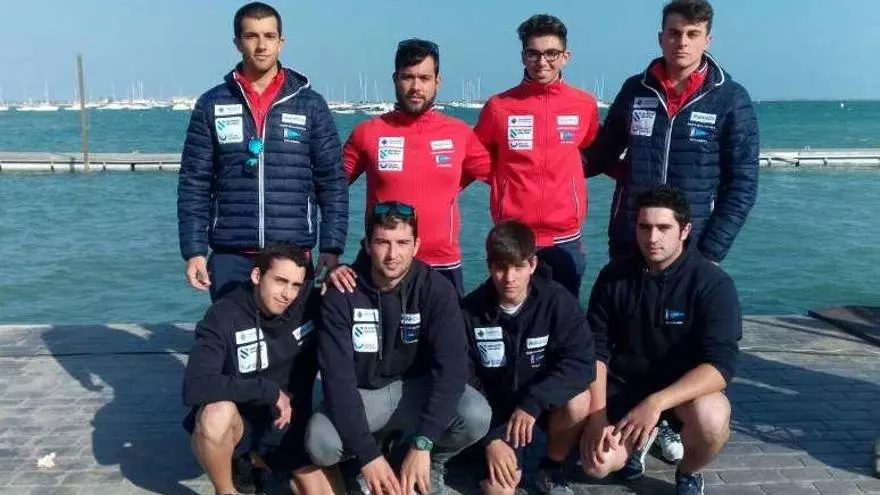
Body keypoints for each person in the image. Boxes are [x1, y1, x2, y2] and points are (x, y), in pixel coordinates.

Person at [305, 201, 492, 495]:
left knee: (476, 414)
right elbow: (337, 382)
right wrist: (368, 456)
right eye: (383, 242)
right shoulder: (341, 294)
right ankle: (368, 455)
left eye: (403, 243)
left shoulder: (436, 290)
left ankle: (429, 460)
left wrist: (424, 443)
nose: (393, 255)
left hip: (417, 390)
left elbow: (452, 371)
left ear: (416, 246)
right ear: (367, 246)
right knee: (321, 443)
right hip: (366, 395)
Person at [178, 2, 348, 302]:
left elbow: (332, 181)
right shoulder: (212, 104)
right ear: (237, 42)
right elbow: (194, 182)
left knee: (294, 334)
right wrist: (194, 251)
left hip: (292, 256)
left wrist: (332, 247)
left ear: (281, 42)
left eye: (269, 36)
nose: (261, 46)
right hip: (230, 255)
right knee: (233, 332)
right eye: (251, 36)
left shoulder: (310, 105)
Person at [580, 186, 741, 495]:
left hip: (682, 394)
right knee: (596, 465)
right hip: (625, 387)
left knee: (712, 420)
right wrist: (597, 416)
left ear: (685, 230)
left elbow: (721, 366)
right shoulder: (614, 277)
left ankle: (689, 472)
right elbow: (595, 351)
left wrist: (656, 403)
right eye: (644, 227)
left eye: (664, 228)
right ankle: (638, 444)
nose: (652, 238)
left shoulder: (713, 283)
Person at [586, 0, 758, 266]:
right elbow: (601, 155)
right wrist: (547, 154)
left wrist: (711, 251)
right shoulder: (635, 90)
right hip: (632, 238)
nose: (682, 42)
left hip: (694, 246)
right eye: (674, 33)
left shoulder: (731, 98)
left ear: (707, 40)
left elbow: (742, 184)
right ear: (661, 38)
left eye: (692, 34)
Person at [328, 38, 491, 297]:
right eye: (408, 77)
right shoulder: (368, 132)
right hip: (382, 263)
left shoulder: (459, 133)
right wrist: (331, 250)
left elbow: (508, 176)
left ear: (438, 81)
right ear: (395, 79)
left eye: (424, 78)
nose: (416, 87)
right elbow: (329, 189)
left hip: (442, 265)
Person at [182, 242, 331, 495]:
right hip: (240, 422)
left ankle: (264, 466)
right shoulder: (223, 314)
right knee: (215, 415)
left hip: (287, 424)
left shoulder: (309, 302)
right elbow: (195, 385)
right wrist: (269, 392)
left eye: (295, 285)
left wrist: (343, 271)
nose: (287, 294)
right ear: (256, 275)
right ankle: (226, 488)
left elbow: (368, 283)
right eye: (280, 281)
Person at [461, 220, 596, 494]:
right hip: (495, 419)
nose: (509, 278)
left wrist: (534, 403)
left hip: (541, 409)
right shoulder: (468, 312)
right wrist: (491, 439)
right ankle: (497, 458)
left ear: (533, 265)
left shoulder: (557, 302)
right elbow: (461, 379)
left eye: (518, 267)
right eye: (501, 267)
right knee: (500, 490)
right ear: (489, 266)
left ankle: (552, 467)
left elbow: (581, 363)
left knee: (580, 400)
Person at [474, 14, 600, 298]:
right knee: (510, 313)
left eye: (551, 53)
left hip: (564, 238)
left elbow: (593, 149)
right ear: (523, 57)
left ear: (566, 56)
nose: (542, 62)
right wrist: (503, 181)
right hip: (514, 234)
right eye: (533, 53)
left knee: (563, 316)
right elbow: (475, 153)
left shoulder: (584, 104)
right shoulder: (499, 106)